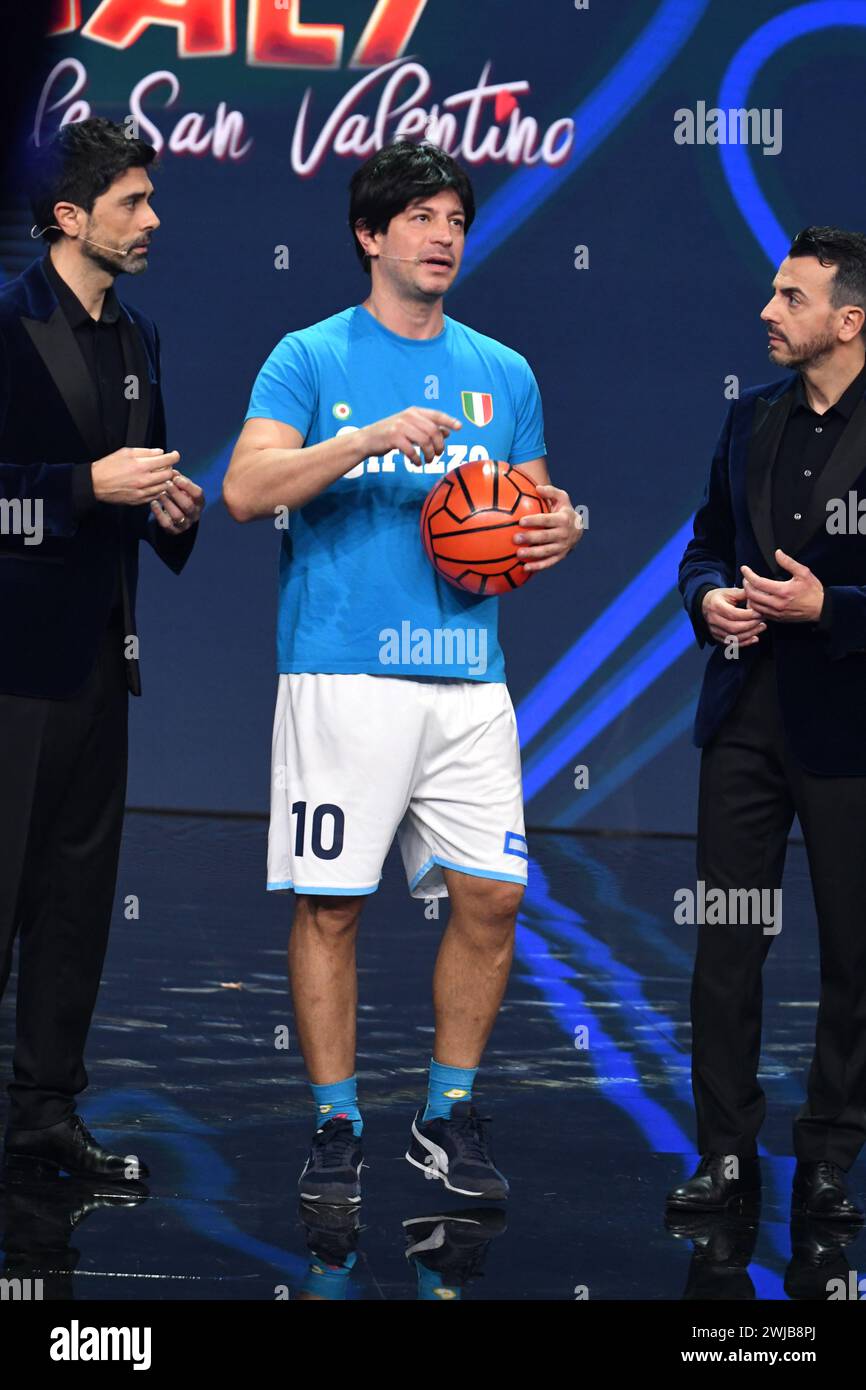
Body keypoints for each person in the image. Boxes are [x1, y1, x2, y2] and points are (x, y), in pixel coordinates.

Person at [224, 140, 581, 1205]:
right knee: (331, 906)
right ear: (369, 237)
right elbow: (245, 489)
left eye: (456, 221)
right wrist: (366, 437)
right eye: (421, 218)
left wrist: (556, 526)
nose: (442, 237)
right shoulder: (309, 358)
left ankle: (446, 1111)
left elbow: (531, 510)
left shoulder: (502, 371)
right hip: (343, 676)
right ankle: (336, 1124)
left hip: (469, 677)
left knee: (494, 897)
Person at [0, 117, 204, 1182]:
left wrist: (170, 511)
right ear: (70, 218)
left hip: (97, 663)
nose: (151, 218)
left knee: (78, 905)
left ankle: (43, 1111)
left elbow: (138, 487)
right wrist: (84, 490)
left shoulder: (139, 336)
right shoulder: (6, 322)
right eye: (131, 202)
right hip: (10, 670)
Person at [673, 226, 866, 1221]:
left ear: (847, 319)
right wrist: (706, 601)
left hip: (848, 732)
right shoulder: (746, 421)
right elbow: (704, 544)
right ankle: (723, 1154)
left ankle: (829, 1157)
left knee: (851, 953)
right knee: (725, 945)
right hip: (742, 719)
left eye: (788, 297)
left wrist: (827, 609)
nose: (765, 311)